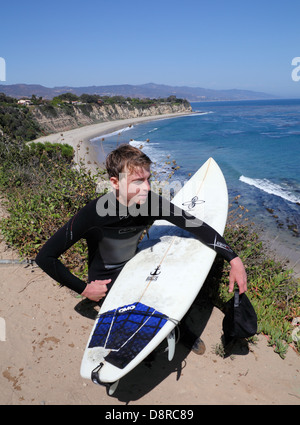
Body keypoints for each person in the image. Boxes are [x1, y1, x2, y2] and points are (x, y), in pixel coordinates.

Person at [36, 144, 247, 351]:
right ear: (115, 182)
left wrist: (234, 259)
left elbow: (195, 224)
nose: (147, 187)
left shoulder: (150, 202)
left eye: (148, 179)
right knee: (136, 332)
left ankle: (178, 329)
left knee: (171, 291)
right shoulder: (94, 214)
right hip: (106, 282)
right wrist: (85, 289)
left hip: (135, 267)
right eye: (138, 181)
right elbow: (45, 257)